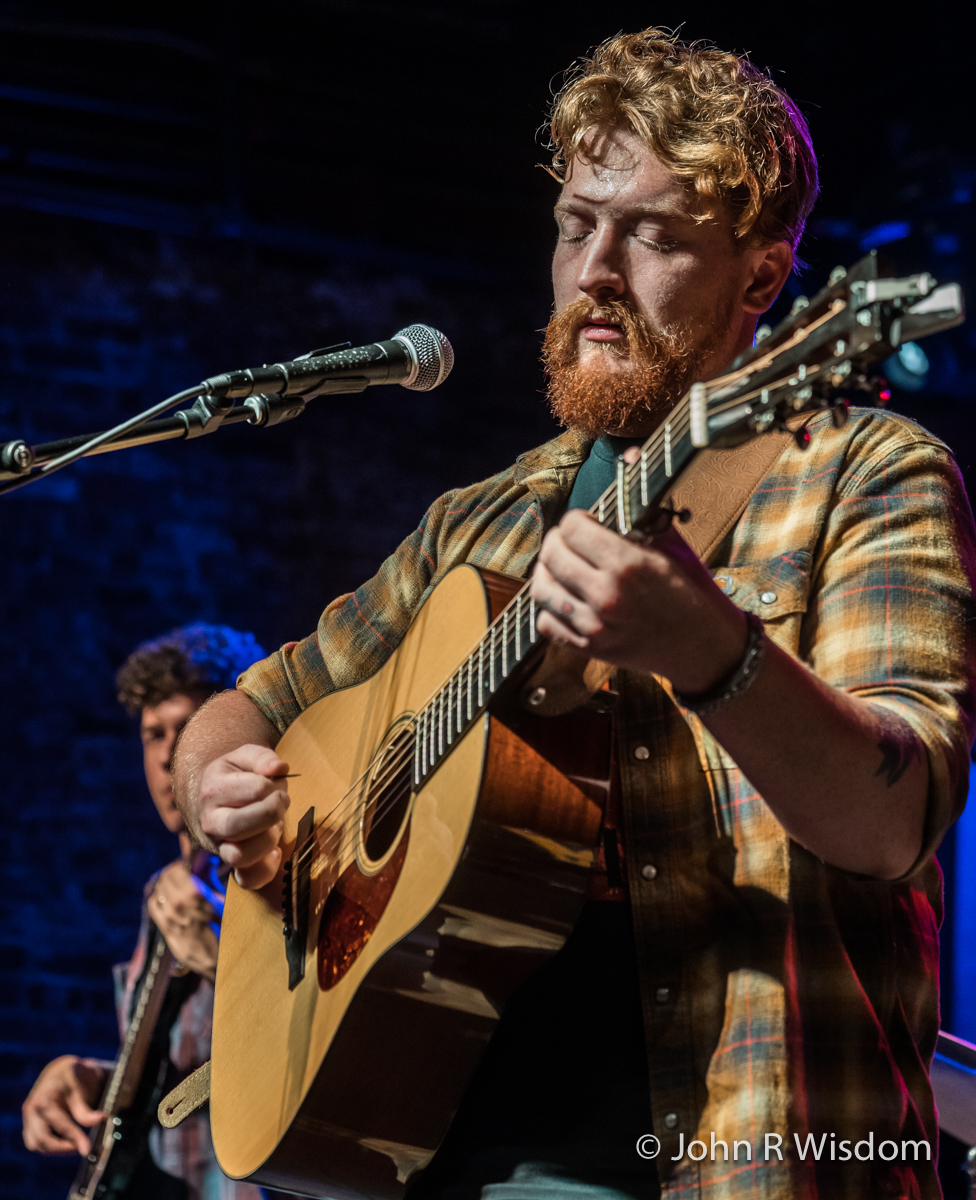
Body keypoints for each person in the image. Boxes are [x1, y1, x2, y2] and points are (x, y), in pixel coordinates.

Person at [172, 28, 976, 1200]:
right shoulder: (480, 521)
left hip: (742, 1150)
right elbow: (248, 705)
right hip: (445, 1153)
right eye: (575, 226)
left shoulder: (860, 470)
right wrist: (216, 784)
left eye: (650, 232)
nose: (596, 268)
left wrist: (713, 652)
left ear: (761, 275)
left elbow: (893, 815)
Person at [22, 624, 270, 1200]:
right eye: (153, 735)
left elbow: (327, 1044)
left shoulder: (287, 863)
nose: (166, 757)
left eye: (185, 730)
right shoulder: (164, 892)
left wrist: (216, 958)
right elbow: (187, 1085)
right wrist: (94, 1079)